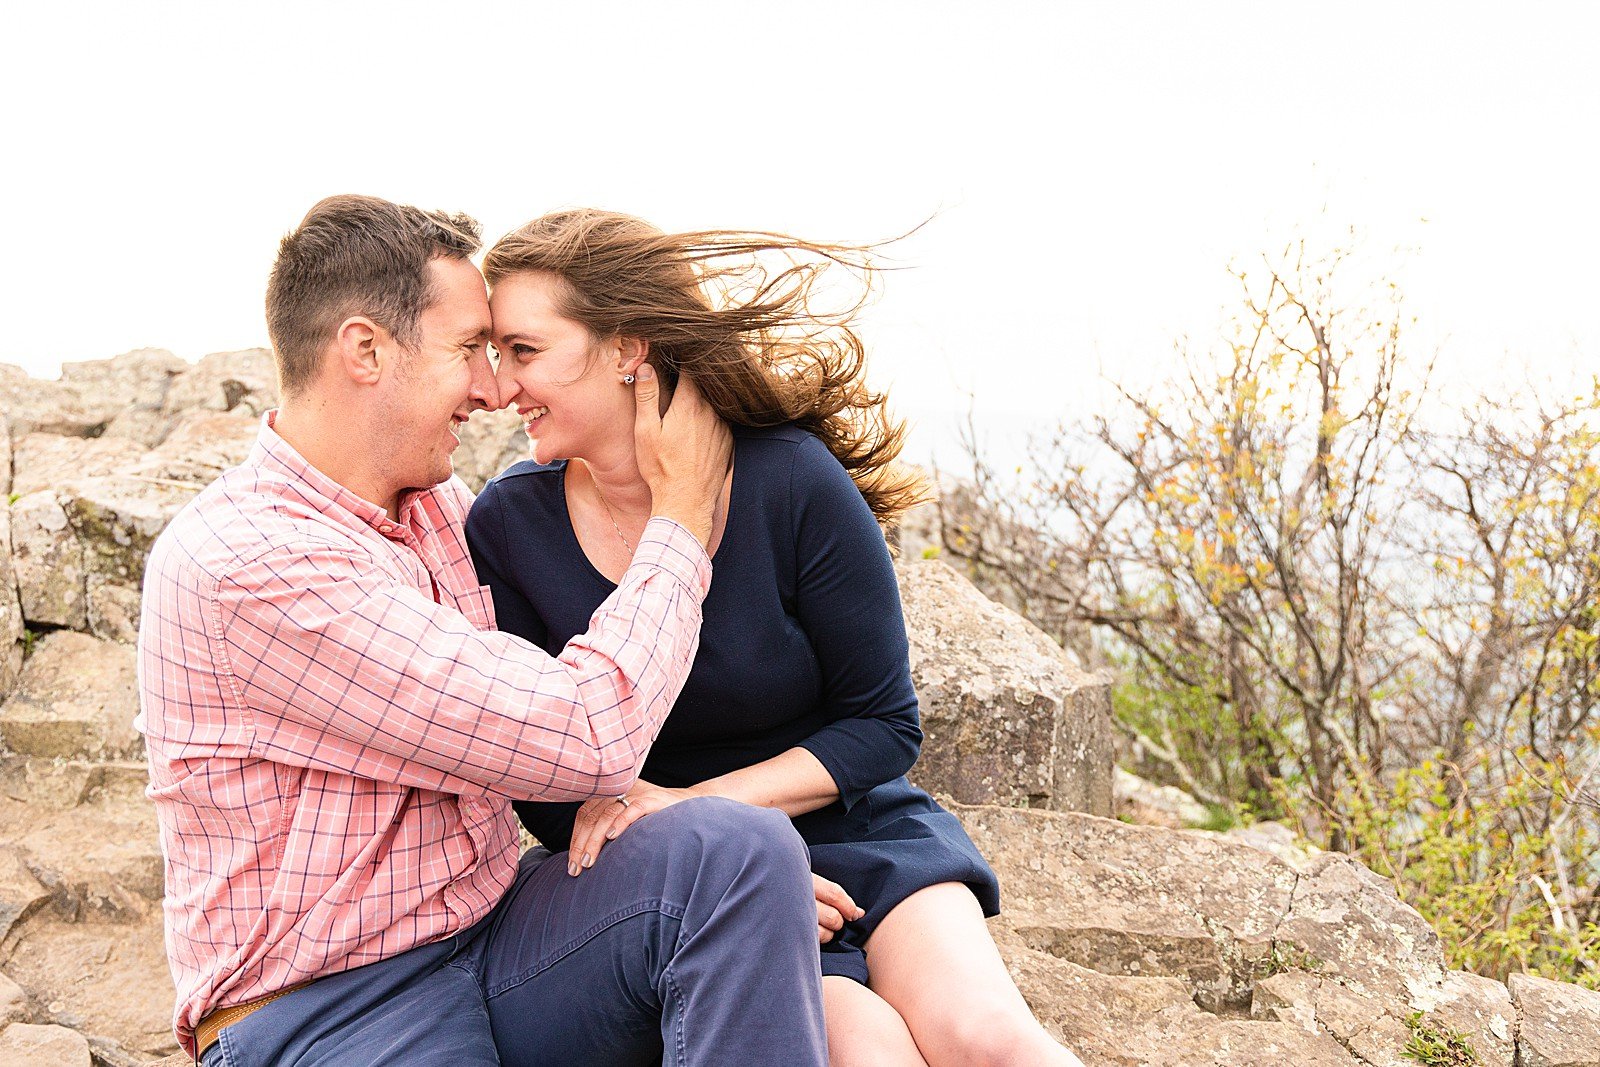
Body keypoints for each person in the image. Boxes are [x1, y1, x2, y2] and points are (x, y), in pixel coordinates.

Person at [136, 194, 831, 1066]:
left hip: (493, 932)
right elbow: (585, 730)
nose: (495, 388)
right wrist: (683, 515)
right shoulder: (251, 561)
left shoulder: (433, 510)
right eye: (469, 349)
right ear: (365, 350)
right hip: (325, 1009)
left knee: (740, 856)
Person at [466, 209, 1084, 1067]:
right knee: (872, 1051)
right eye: (494, 355)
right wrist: (718, 858)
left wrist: (697, 803)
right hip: (695, 885)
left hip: (856, 835)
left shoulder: (786, 477)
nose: (499, 388)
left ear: (626, 349)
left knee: (991, 1040)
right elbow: (545, 784)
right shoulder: (507, 526)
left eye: (523, 351)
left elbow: (882, 724)